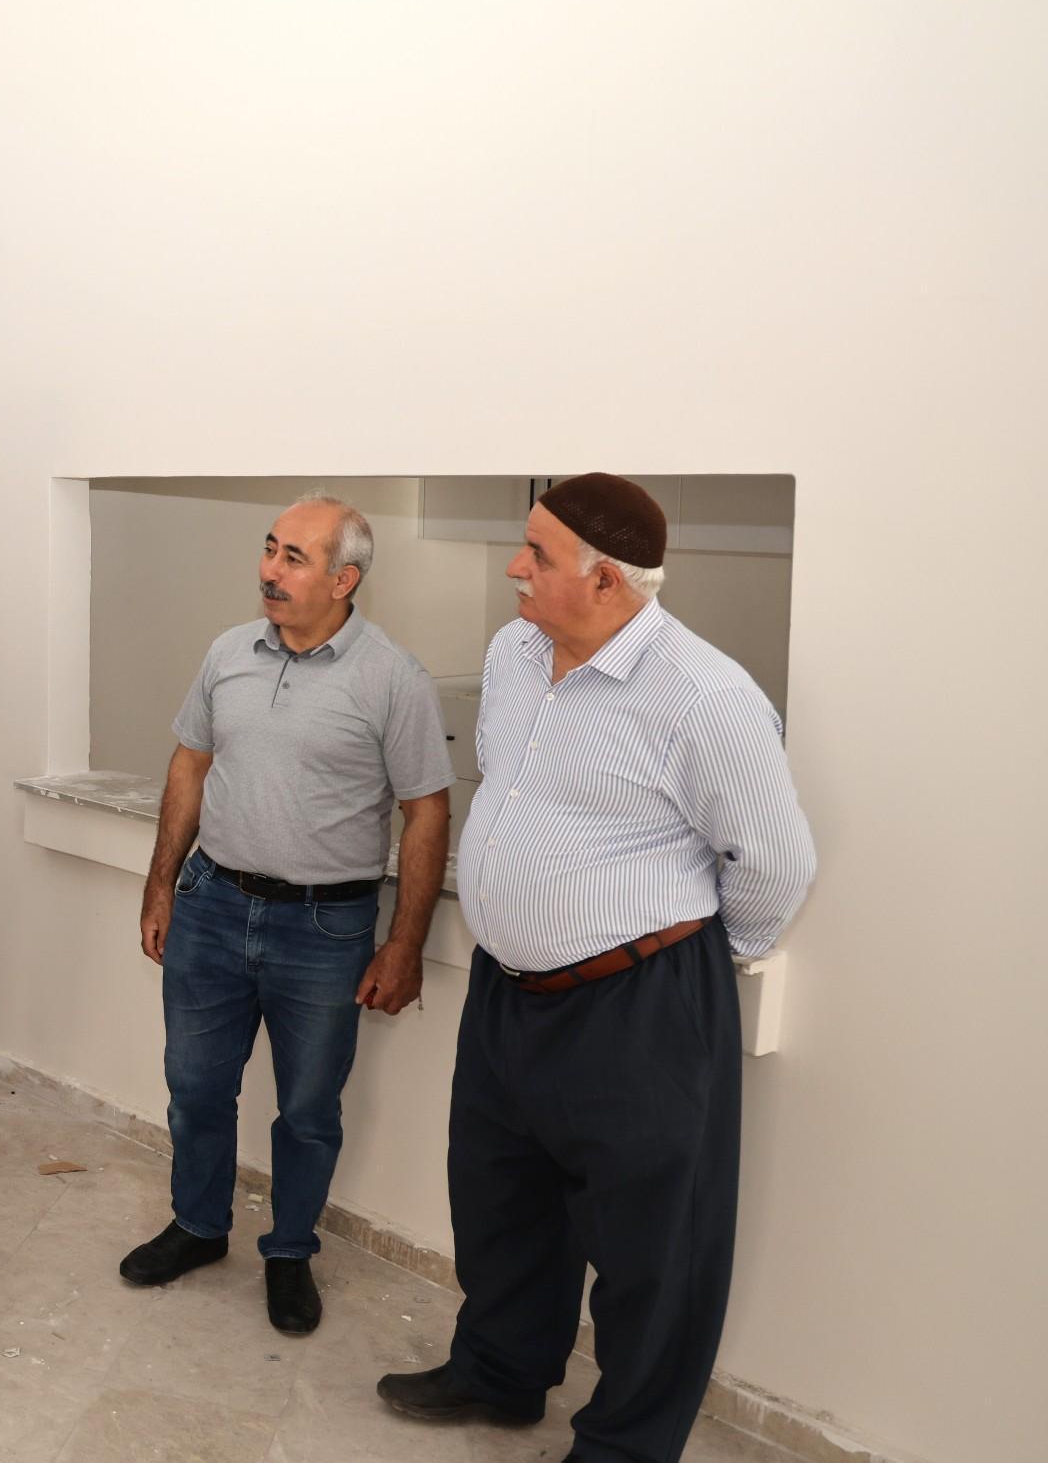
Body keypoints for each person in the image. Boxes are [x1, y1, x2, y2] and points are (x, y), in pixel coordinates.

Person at [375, 474, 816, 1463]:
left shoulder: (705, 697)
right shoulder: (513, 653)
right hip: (508, 992)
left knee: (650, 1245)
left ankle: (624, 1446)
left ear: (607, 580)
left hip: (638, 1006)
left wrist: (686, 962)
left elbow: (777, 864)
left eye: (536, 554)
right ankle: (501, 1371)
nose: (513, 567)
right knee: (499, 1196)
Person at [124, 493, 454, 1336]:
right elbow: (190, 763)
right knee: (195, 1088)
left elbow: (426, 812)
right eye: (270, 549)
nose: (270, 570)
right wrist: (161, 883)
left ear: (344, 580)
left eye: (293, 558)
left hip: (324, 930)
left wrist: (405, 943)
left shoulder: (394, 678)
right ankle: (199, 1226)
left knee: (308, 1110)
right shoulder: (228, 652)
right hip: (211, 906)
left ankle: (289, 1250)